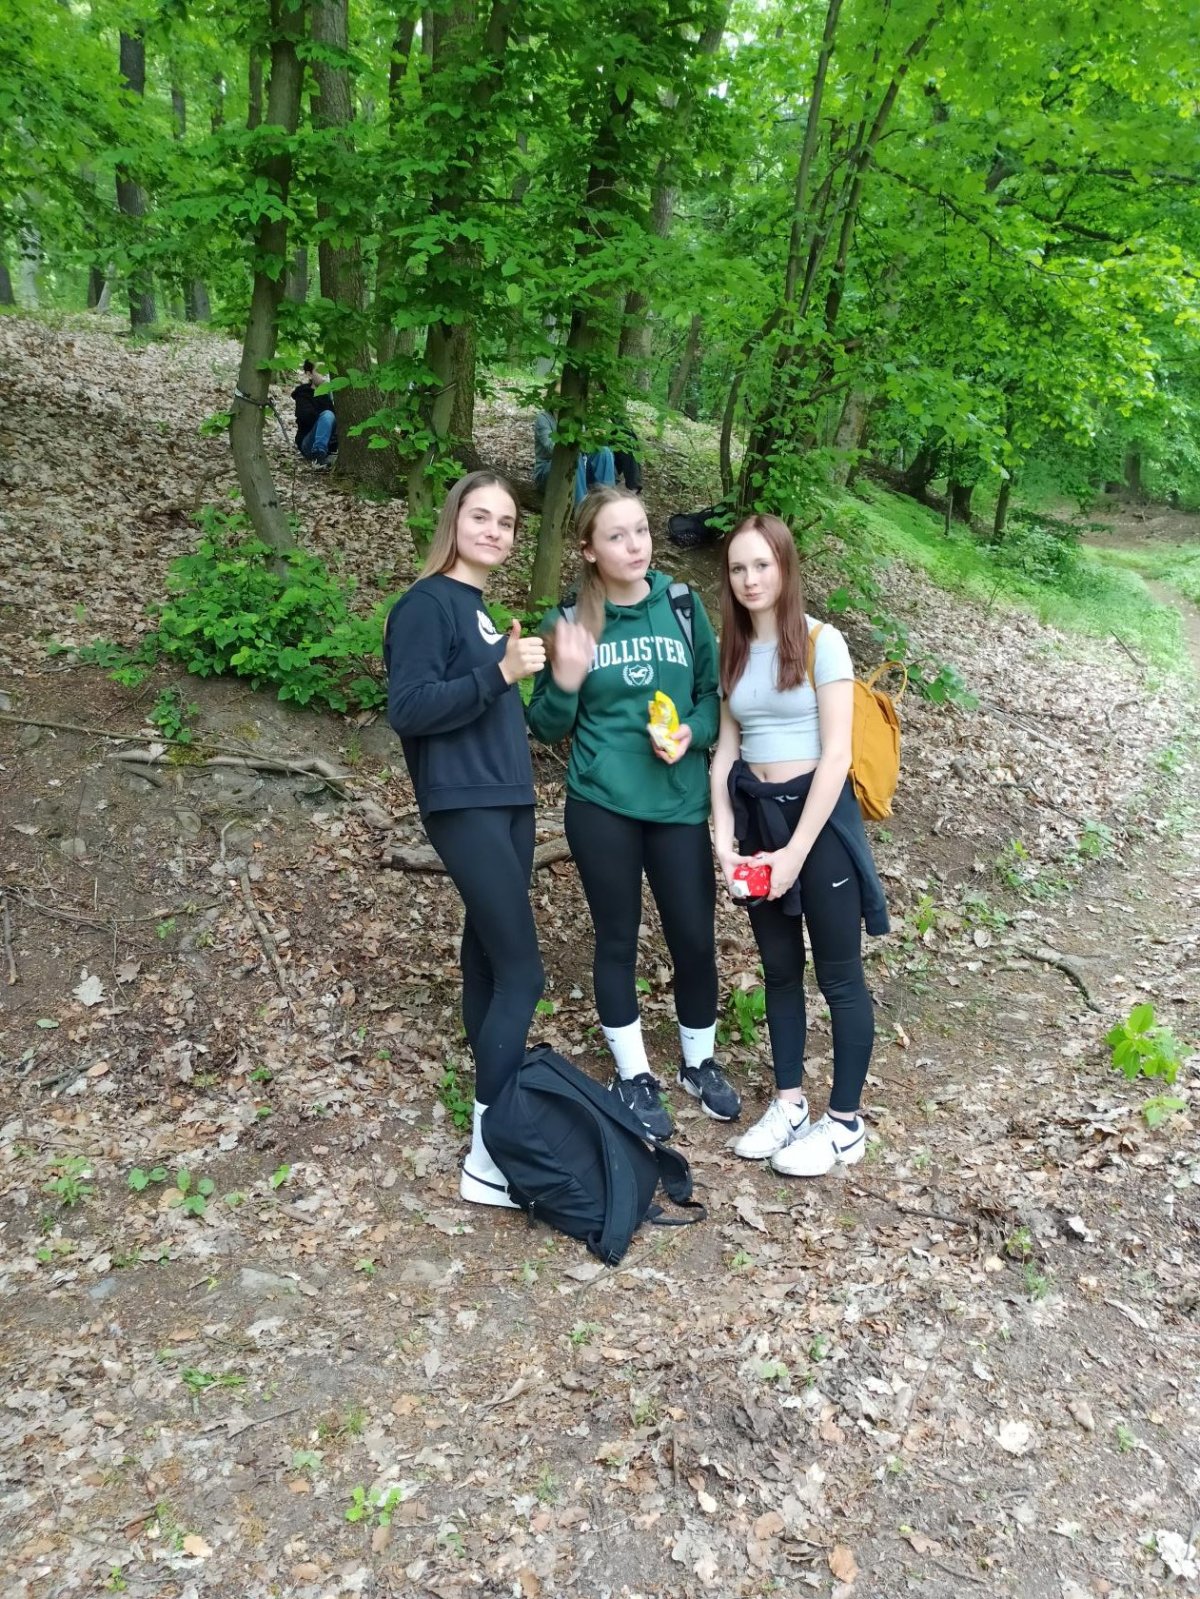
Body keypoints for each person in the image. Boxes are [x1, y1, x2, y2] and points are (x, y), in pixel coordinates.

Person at [527, 486, 741, 1139]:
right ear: (589, 549)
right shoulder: (571, 622)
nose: (635, 545)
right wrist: (566, 681)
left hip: (677, 802)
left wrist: (692, 734)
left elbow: (711, 698)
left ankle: (699, 1063)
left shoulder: (681, 605)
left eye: (641, 530)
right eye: (616, 536)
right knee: (617, 939)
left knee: (694, 938)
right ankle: (634, 1074)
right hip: (602, 804)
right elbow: (545, 724)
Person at [383, 472, 547, 1207]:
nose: (494, 531)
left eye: (506, 522)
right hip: (465, 803)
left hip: (509, 802)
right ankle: (488, 1157)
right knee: (524, 974)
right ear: (453, 520)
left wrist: (513, 672)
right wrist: (500, 672)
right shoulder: (426, 604)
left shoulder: (481, 613)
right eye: (481, 516)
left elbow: (487, 703)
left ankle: (500, 1121)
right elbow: (410, 707)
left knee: (486, 962)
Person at [709, 514, 889, 1177]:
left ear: (784, 567)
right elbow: (726, 751)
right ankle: (789, 1104)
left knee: (839, 975)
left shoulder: (822, 642)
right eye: (738, 567)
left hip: (820, 826)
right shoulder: (732, 651)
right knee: (779, 969)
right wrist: (723, 839)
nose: (750, 578)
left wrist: (794, 856)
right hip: (759, 824)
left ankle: (844, 1124)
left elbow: (837, 754)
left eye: (762, 564)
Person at [533, 392, 642, 506]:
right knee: (572, 456)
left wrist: (592, 439)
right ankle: (581, 508)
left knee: (603, 451)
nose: (561, 401)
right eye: (557, 396)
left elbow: (586, 446)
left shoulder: (576, 418)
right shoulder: (544, 418)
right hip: (547, 472)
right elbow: (553, 449)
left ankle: (607, 503)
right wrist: (577, 442)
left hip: (578, 470)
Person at [292, 360, 337, 466]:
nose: (324, 375)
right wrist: (325, 416)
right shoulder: (303, 395)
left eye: (326, 371)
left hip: (331, 445)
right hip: (309, 443)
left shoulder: (331, 394)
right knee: (327, 415)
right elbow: (305, 417)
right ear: (309, 374)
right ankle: (318, 456)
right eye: (320, 371)